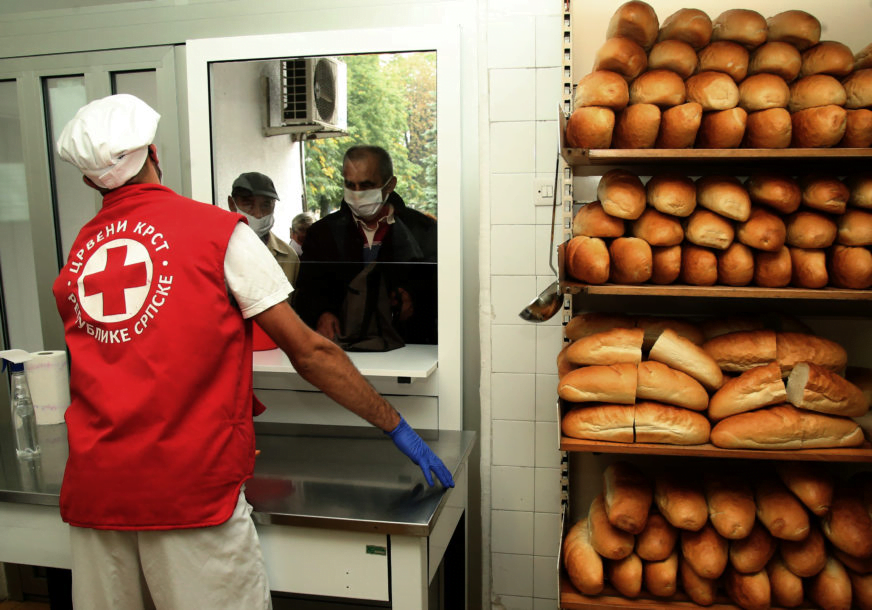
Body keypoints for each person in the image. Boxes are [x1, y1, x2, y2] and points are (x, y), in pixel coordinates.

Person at [52, 94, 453, 610]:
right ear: (154, 152)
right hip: (190, 495)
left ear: (90, 180)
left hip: (95, 492)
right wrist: (395, 424)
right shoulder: (216, 235)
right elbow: (310, 352)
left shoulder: (81, 251)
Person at [293, 145, 437, 349]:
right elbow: (306, 292)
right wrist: (322, 313)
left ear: (390, 185)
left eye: (367, 185)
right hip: (341, 349)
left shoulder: (423, 231)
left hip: (408, 351)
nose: (357, 194)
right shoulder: (322, 233)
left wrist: (413, 301)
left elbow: (439, 295)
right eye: (350, 185)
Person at [227, 171, 300, 288]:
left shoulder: (288, 256)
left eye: (266, 205)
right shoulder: (217, 249)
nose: (258, 214)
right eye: (248, 204)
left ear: (274, 205)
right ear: (232, 204)